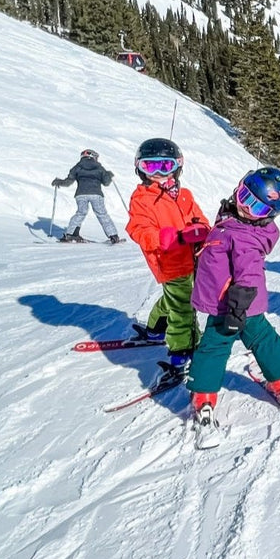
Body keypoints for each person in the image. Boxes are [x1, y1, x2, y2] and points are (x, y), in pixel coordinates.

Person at [186, 168, 280, 425]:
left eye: (257, 209)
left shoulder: (245, 236)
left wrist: (236, 309)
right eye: (245, 197)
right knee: (263, 338)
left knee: (214, 346)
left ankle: (203, 395)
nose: (246, 208)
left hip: (231, 305)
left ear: (267, 217)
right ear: (238, 188)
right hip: (247, 307)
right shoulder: (234, 219)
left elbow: (249, 276)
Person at [125, 138, 209, 384]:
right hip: (169, 262)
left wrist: (201, 230)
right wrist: (171, 237)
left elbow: (201, 219)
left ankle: (154, 331)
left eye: (165, 166)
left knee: (173, 299)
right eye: (151, 168)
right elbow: (139, 231)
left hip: (192, 259)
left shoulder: (185, 195)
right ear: (140, 169)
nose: (160, 174)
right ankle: (181, 355)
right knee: (183, 309)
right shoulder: (141, 199)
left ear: (178, 166)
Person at [52, 148, 121, 243]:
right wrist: (109, 175)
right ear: (93, 156)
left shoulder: (77, 167)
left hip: (81, 194)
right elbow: (106, 182)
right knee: (101, 214)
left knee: (81, 213)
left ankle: (70, 234)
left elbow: (68, 182)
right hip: (96, 194)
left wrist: (59, 182)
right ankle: (113, 236)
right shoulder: (99, 167)